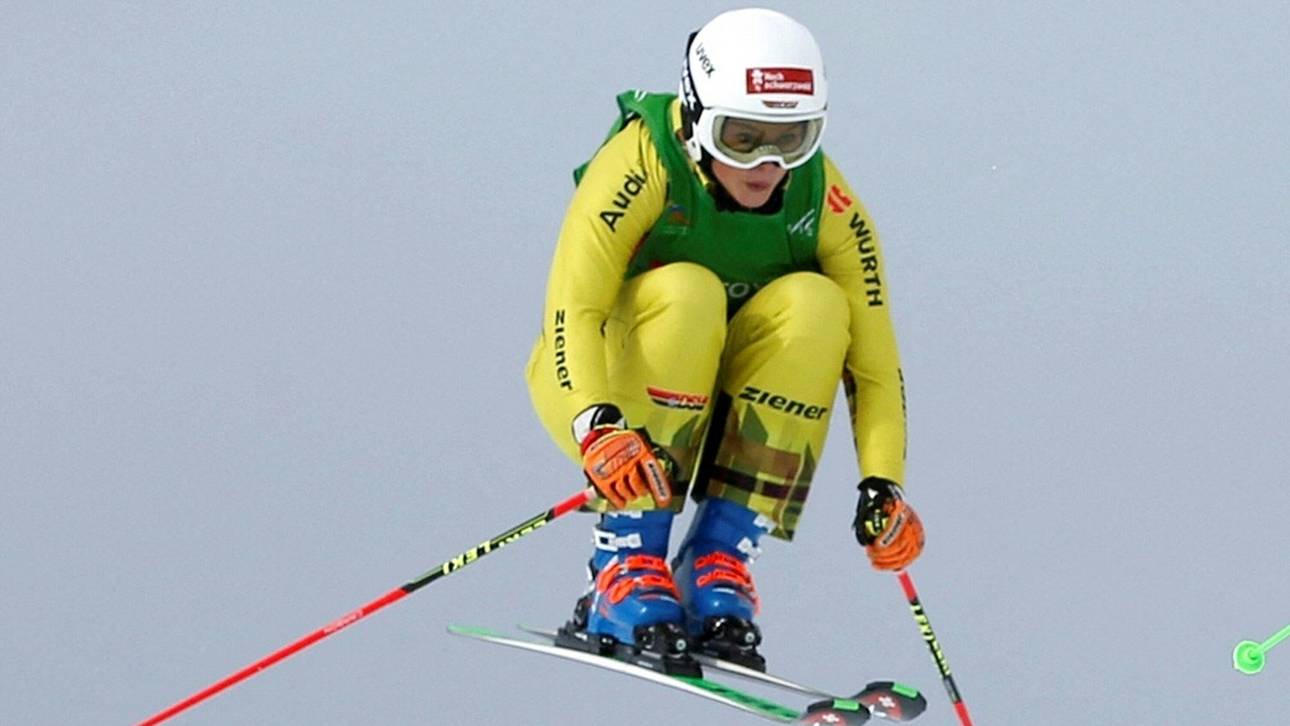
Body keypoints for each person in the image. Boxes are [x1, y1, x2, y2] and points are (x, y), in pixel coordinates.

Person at [525, 7, 925, 675]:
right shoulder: (644, 162)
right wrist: (597, 426)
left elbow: (876, 366)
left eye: (793, 139)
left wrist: (883, 485)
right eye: (742, 137)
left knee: (819, 306)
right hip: (602, 390)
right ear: (695, 116)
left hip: (720, 413)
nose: (767, 164)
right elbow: (573, 308)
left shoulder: (825, 204)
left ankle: (717, 556)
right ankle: (624, 561)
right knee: (688, 291)